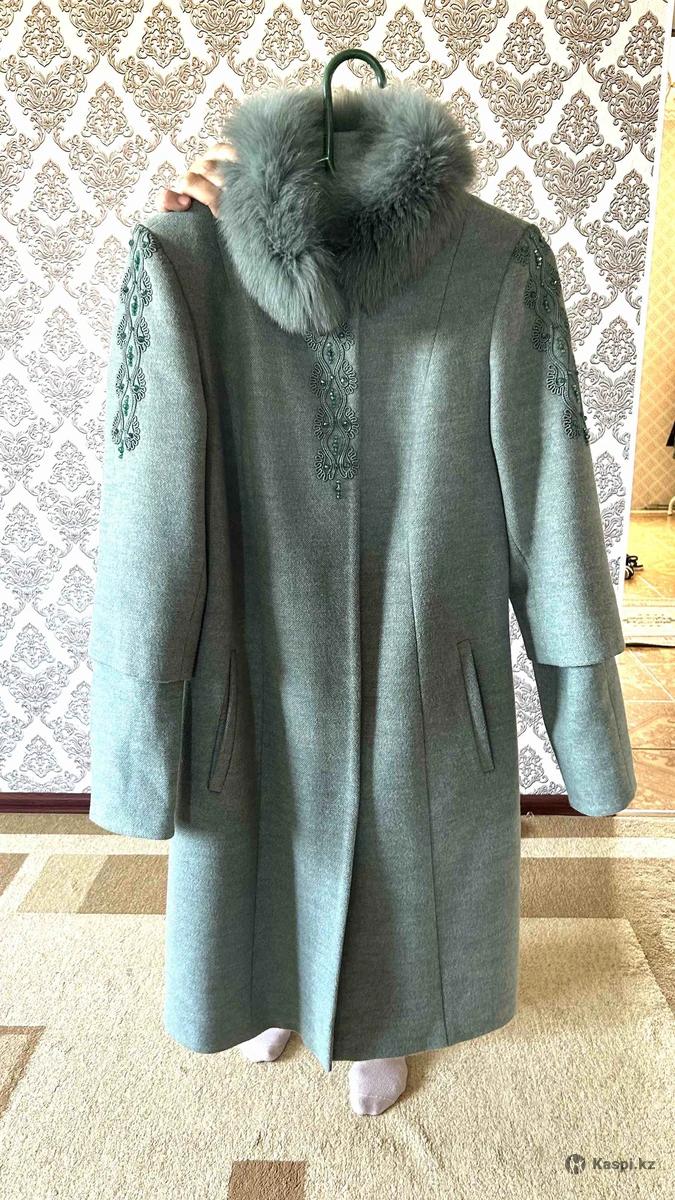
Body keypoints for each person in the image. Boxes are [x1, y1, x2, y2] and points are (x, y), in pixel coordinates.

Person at [154, 142, 408, 1119]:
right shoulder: (223, 247)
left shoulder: (423, 257)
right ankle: (274, 987)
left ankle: (378, 1017)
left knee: (384, 807)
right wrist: (196, 245)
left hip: (393, 554)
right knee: (269, 795)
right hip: (259, 554)